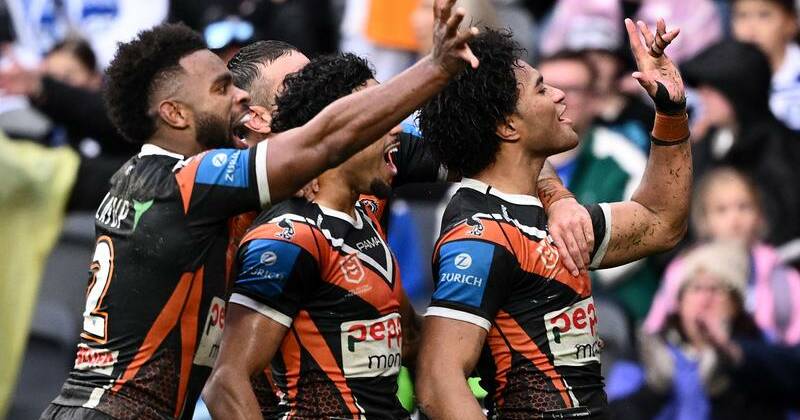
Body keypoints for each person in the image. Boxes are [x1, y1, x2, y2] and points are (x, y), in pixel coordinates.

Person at [40, 1, 483, 416]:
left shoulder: (152, 177)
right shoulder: (192, 180)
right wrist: (435, 68)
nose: (238, 98)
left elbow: (500, 148)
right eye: (221, 88)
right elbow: (327, 138)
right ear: (176, 114)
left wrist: (556, 197)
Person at [415, 17, 692, 419]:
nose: (561, 96)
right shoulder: (480, 236)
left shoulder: (551, 217)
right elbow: (438, 383)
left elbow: (661, 221)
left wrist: (670, 109)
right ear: (509, 126)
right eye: (542, 89)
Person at [538, 51, 659, 321]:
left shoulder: (623, 159)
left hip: (610, 306)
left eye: (572, 89)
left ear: (595, 100)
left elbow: (637, 239)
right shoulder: (505, 158)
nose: (558, 97)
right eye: (545, 88)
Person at [607, 241, 788, 420]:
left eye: (716, 290)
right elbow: (614, 413)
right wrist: (654, 389)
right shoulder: (648, 349)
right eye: (696, 288)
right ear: (680, 302)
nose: (705, 299)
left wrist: (723, 385)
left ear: (735, 305)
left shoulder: (755, 351)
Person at [645, 168, 800, 344]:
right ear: (704, 219)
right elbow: (656, 330)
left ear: (759, 214)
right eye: (721, 210)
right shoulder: (684, 269)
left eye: (744, 207)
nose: (734, 219)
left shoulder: (781, 277)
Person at [683, 39, 800, 246]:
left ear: (739, 92)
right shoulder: (707, 143)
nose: (702, 97)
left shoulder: (782, 150)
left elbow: (784, 224)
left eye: (711, 90)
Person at [731, 0, 800, 130]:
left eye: (764, 15)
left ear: (791, 22)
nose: (750, 28)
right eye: (742, 15)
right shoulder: (723, 78)